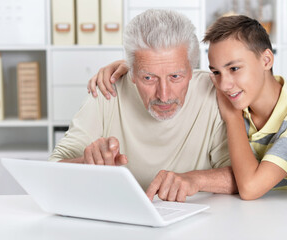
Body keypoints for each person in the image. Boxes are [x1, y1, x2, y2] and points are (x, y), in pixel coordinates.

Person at [88, 15, 287, 200]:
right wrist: (132, 67)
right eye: (216, 71)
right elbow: (178, 72)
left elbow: (249, 188)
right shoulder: (236, 96)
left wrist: (232, 117)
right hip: (242, 218)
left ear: (266, 60)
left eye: (234, 68)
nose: (225, 83)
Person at [49, 9, 237, 202]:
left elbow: (242, 177)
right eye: (148, 78)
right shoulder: (106, 92)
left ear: (192, 70)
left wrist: (196, 179)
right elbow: (52, 170)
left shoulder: (214, 93)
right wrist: (88, 164)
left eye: (175, 77)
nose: (164, 95)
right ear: (132, 73)